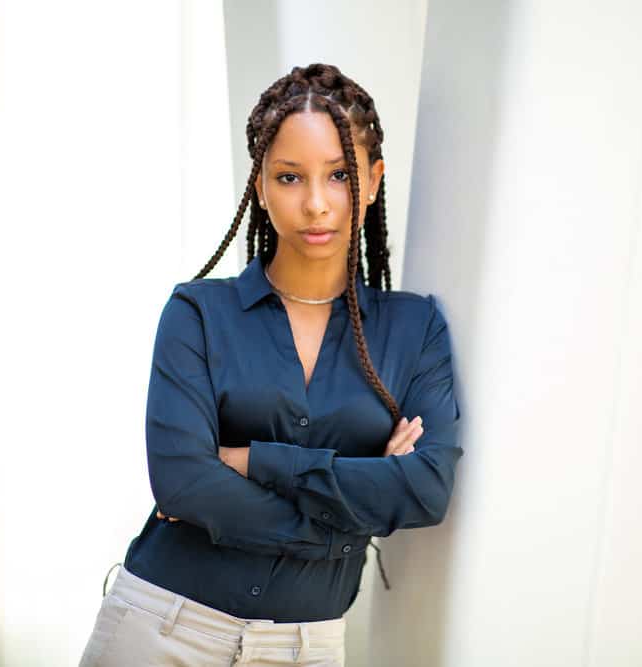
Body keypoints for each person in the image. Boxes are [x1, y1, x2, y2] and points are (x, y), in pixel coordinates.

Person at [78, 63, 463, 667]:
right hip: (163, 630)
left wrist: (254, 461)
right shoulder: (198, 313)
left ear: (374, 178)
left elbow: (426, 490)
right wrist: (347, 518)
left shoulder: (416, 330)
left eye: (340, 175)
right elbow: (182, 484)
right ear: (260, 184)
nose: (316, 204)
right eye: (290, 177)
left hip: (305, 648)